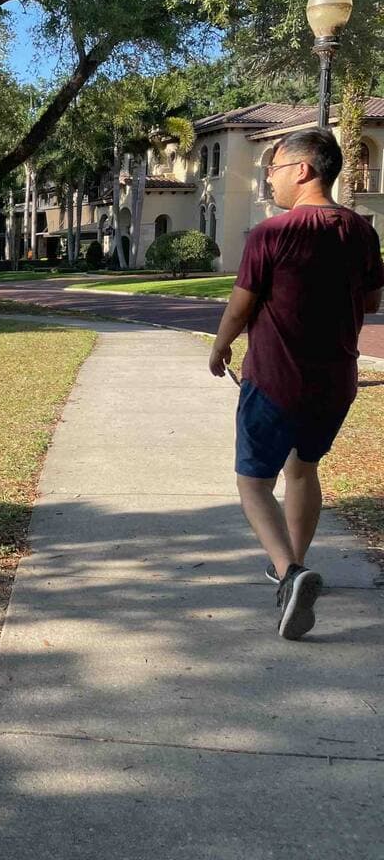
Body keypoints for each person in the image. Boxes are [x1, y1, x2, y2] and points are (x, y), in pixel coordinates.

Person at [209, 127, 383, 640]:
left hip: (274, 379)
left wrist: (220, 346)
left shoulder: (272, 233)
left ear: (304, 171)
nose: (271, 178)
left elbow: (242, 303)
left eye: (276, 168)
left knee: (254, 482)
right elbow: (372, 302)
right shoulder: (361, 230)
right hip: (334, 383)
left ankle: (289, 572)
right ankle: (296, 564)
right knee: (302, 469)